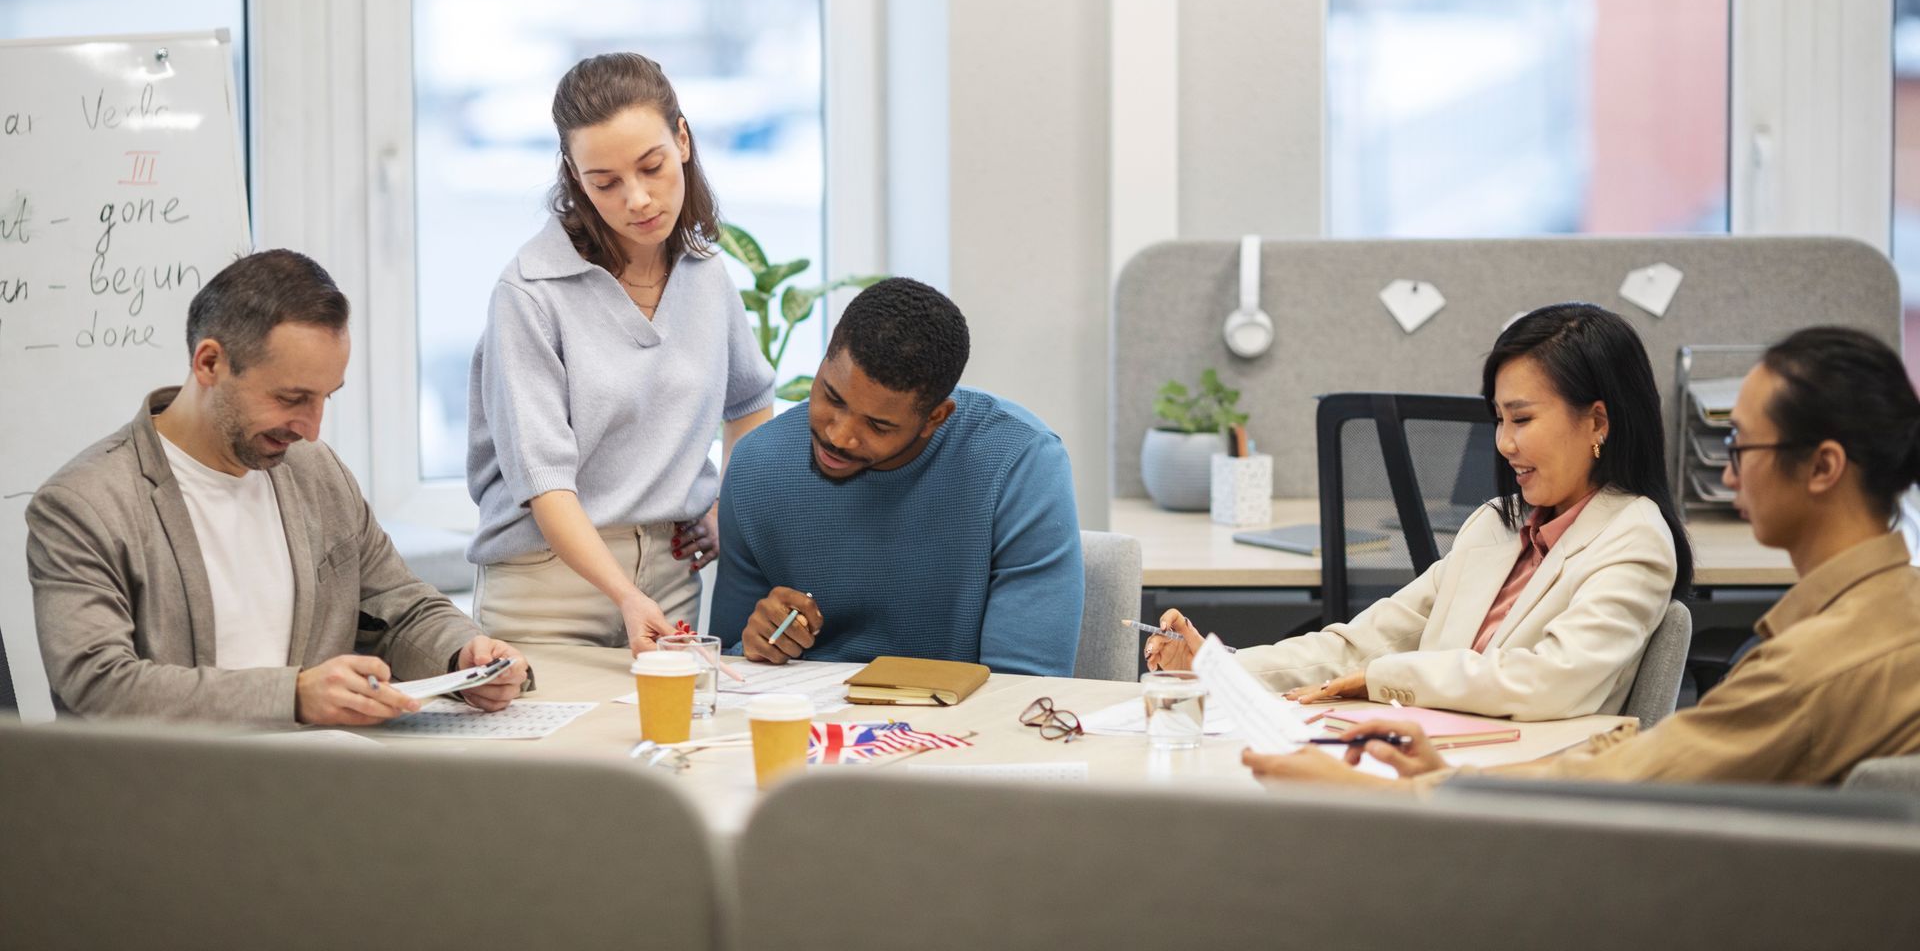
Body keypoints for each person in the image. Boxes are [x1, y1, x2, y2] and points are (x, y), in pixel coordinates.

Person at [1250, 326, 1920, 788]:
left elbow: (1640, 782)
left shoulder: (1815, 665)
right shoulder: (1872, 623)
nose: (1728, 477)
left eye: (1741, 447)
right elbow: (1644, 761)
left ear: (1824, 467)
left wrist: (1394, 795)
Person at [27, 250, 527, 725]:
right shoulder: (85, 504)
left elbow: (398, 604)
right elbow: (98, 686)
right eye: (291, 397)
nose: (311, 429)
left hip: (311, 780)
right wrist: (291, 697)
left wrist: (463, 655)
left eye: (324, 398)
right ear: (208, 364)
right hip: (165, 795)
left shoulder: (315, 472)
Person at [1148, 303, 1692, 721]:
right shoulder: (1495, 527)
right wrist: (1216, 665)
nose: (1503, 443)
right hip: (1433, 762)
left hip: (1526, 796)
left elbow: (1553, 681)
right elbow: (1362, 644)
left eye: (1522, 420)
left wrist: (1381, 680)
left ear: (1598, 422)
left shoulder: (1634, 538)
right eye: (1498, 420)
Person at [467, 52, 774, 654]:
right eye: (605, 183)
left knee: (677, 745)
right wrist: (624, 594)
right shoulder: (528, 294)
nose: (636, 198)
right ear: (574, 178)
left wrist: (723, 510)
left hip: (670, 572)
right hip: (547, 581)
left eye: (651, 167)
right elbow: (544, 481)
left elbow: (752, 401)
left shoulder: (706, 274)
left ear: (682, 139)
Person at [709, 278, 1084, 675]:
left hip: (964, 729)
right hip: (807, 727)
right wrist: (755, 645)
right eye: (832, 397)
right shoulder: (758, 467)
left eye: (878, 425)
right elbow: (729, 665)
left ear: (934, 419)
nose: (839, 436)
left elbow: (1022, 686)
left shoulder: (1019, 465)